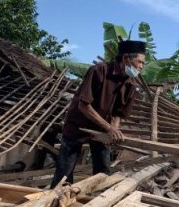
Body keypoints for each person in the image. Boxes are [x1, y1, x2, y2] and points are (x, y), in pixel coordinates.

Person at [50, 40, 146, 188]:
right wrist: (109, 128)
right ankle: (55, 203)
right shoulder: (99, 71)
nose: (141, 66)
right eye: (139, 62)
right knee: (65, 172)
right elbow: (84, 105)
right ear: (126, 58)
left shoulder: (130, 83)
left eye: (143, 63)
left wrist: (113, 130)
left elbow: (117, 113)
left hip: (102, 130)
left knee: (102, 171)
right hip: (78, 126)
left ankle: (97, 203)